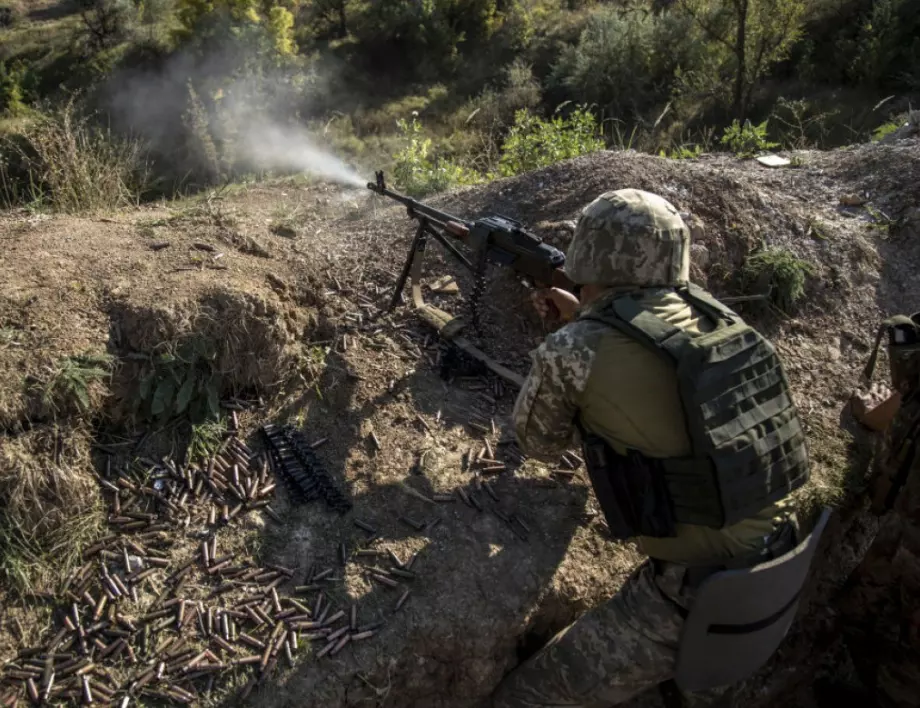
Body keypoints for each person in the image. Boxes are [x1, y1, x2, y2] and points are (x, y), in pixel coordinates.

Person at [491, 189, 810, 708]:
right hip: (784, 569)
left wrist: (572, 340)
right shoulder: (721, 321)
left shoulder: (576, 348)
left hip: (693, 599)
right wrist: (588, 321)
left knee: (521, 700)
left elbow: (540, 445)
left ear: (589, 252)